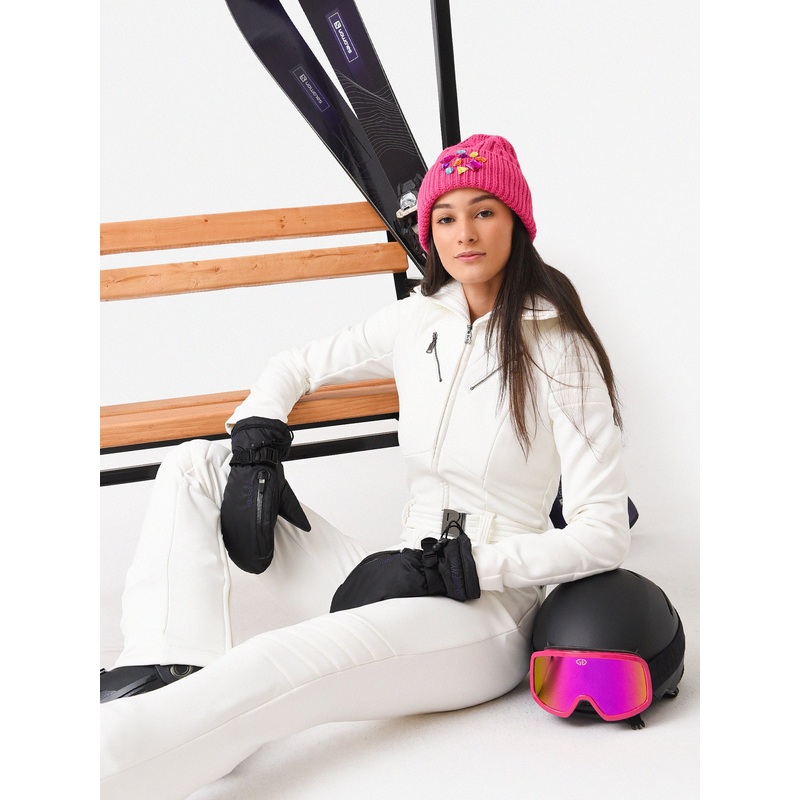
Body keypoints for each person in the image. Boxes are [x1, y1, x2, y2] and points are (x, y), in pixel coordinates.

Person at [99, 134, 631, 799]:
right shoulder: (419, 320)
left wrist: (470, 567)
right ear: (430, 232)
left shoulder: (559, 347)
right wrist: (258, 436)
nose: (464, 233)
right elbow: (296, 364)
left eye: (483, 211)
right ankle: (169, 667)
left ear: (516, 221)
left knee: (274, 662)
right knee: (195, 464)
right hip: (391, 572)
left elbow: (604, 533)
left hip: (481, 609)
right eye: (446, 217)